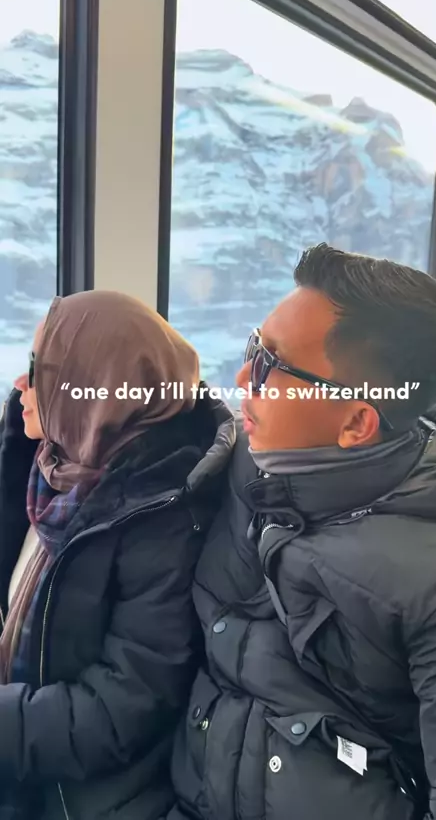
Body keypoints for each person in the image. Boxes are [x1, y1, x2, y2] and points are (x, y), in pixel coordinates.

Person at [166, 244, 436, 820]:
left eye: (270, 367)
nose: (242, 378)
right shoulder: (245, 460)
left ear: (356, 422)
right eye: (253, 347)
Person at [0, 290, 235, 820]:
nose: (19, 385)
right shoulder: (51, 464)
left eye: (38, 371)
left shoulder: (165, 522)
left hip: (82, 796)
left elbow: (117, 712)